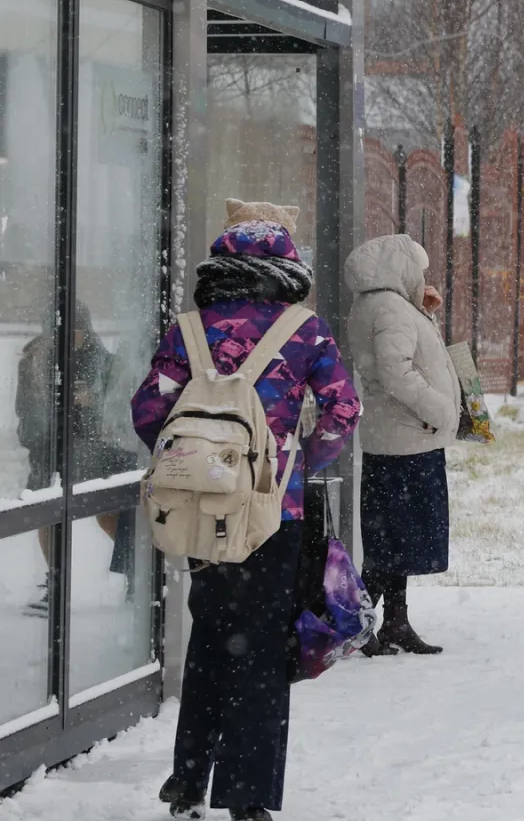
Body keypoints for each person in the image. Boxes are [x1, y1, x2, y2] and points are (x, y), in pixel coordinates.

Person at [134, 200, 361, 821]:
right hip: (271, 515)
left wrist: (197, 469)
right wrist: (297, 466)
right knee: (259, 649)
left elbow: (149, 410)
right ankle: (247, 796)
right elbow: (344, 411)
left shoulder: (189, 327)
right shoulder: (305, 330)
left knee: (210, 635)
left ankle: (186, 782)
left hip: (203, 514)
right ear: (286, 269)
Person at [344, 234, 459, 657]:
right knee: (394, 540)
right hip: (407, 441)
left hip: (398, 438)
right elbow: (395, 372)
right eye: (419, 270)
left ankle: (393, 621)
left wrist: (422, 312)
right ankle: (354, 624)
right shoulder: (389, 308)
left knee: (393, 539)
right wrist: (440, 409)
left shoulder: (382, 305)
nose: (422, 277)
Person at [16, 301, 136, 616]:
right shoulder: (33, 362)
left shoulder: (102, 362)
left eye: (78, 332)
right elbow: (25, 410)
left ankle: (138, 573)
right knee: (48, 514)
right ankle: (55, 584)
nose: (72, 340)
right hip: (48, 447)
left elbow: (116, 410)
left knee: (108, 514)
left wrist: (90, 402)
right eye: (65, 333)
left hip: (93, 447)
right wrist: (37, 432)